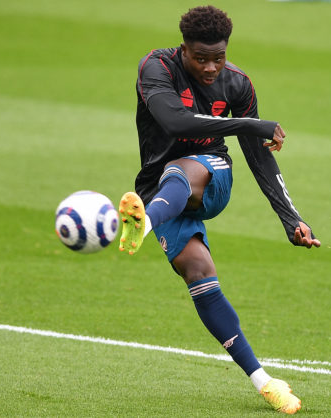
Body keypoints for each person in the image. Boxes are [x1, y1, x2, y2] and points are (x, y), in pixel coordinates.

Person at [118, 5, 320, 415]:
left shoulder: (237, 84)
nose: (211, 68)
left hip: (212, 176)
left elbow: (259, 156)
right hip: (158, 189)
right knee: (198, 272)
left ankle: (143, 223)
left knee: (182, 169)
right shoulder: (156, 68)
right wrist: (251, 124)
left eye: (219, 58)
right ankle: (265, 382)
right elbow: (175, 122)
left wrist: (291, 218)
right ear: (184, 50)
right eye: (201, 58)